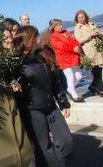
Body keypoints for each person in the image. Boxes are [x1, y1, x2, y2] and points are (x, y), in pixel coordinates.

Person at [12, 26, 73, 167]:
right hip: (32, 110)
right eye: (36, 35)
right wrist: (12, 81)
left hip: (51, 107)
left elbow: (56, 81)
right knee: (43, 147)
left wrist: (63, 103)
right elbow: (8, 81)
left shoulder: (45, 54)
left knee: (66, 142)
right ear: (28, 40)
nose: (39, 38)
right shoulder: (16, 61)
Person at [50, 19, 84, 102]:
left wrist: (77, 47)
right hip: (64, 59)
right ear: (53, 27)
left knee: (79, 75)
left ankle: (69, 88)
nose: (60, 26)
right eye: (58, 25)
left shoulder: (66, 32)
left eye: (61, 24)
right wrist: (73, 48)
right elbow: (62, 46)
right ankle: (74, 95)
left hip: (73, 57)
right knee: (70, 77)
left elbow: (74, 41)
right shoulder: (53, 36)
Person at [73, 10, 103, 96]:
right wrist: (90, 35)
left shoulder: (91, 24)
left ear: (85, 17)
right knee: (95, 70)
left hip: (97, 51)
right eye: (79, 18)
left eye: (82, 17)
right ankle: (100, 89)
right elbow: (78, 40)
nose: (81, 19)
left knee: (99, 70)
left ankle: (93, 86)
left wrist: (98, 33)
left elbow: (100, 34)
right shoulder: (78, 28)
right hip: (88, 51)